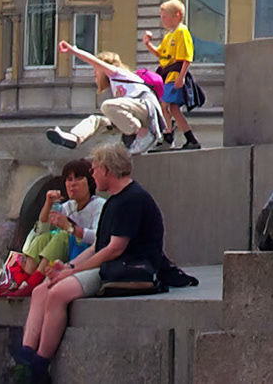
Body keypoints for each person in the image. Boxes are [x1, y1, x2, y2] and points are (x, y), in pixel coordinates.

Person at [10, 143, 166, 383]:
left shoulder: (131, 199)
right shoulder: (116, 200)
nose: (92, 174)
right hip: (113, 264)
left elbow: (114, 249)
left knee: (57, 292)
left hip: (126, 268)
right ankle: (27, 354)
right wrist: (68, 268)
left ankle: (40, 364)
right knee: (43, 288)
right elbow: (97, 246)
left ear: (107, 170)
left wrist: (72, 274)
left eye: (94, 169)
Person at [45, 44, 166, 156]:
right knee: (96, 120)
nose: (94, 74)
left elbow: (94, 61)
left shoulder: (119, 73)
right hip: (135, 114)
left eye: (96, 69)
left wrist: (74, 51)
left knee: (107, 106)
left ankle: (141, 132)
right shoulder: (115, 85)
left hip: (145, 108)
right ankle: (74, 138)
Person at [19, 158, 103, 280]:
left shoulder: (100, 206)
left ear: (90, 182)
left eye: (79, 178)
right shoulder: (69, 206)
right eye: (69, 180)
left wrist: (71, 229)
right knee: (43, 238)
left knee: (62, 236)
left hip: (86, 257)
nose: (73, 184)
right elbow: (42, 229)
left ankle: (36, 279)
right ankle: (27, 276)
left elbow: (99, 238)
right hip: (67, 255)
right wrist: (48, 203)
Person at [143, 0, 200, 150]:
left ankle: (168, 136)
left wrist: (181, 77)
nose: (162, 20)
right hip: (167, 75)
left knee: (164, 105)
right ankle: (189, 139)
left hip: (175, 75)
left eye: (165, 16)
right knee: (172, 108)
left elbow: (186, 57)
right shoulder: (169, 35)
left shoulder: (182, 32)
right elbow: (160, 54)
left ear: (177, 16)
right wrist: (148, 44)